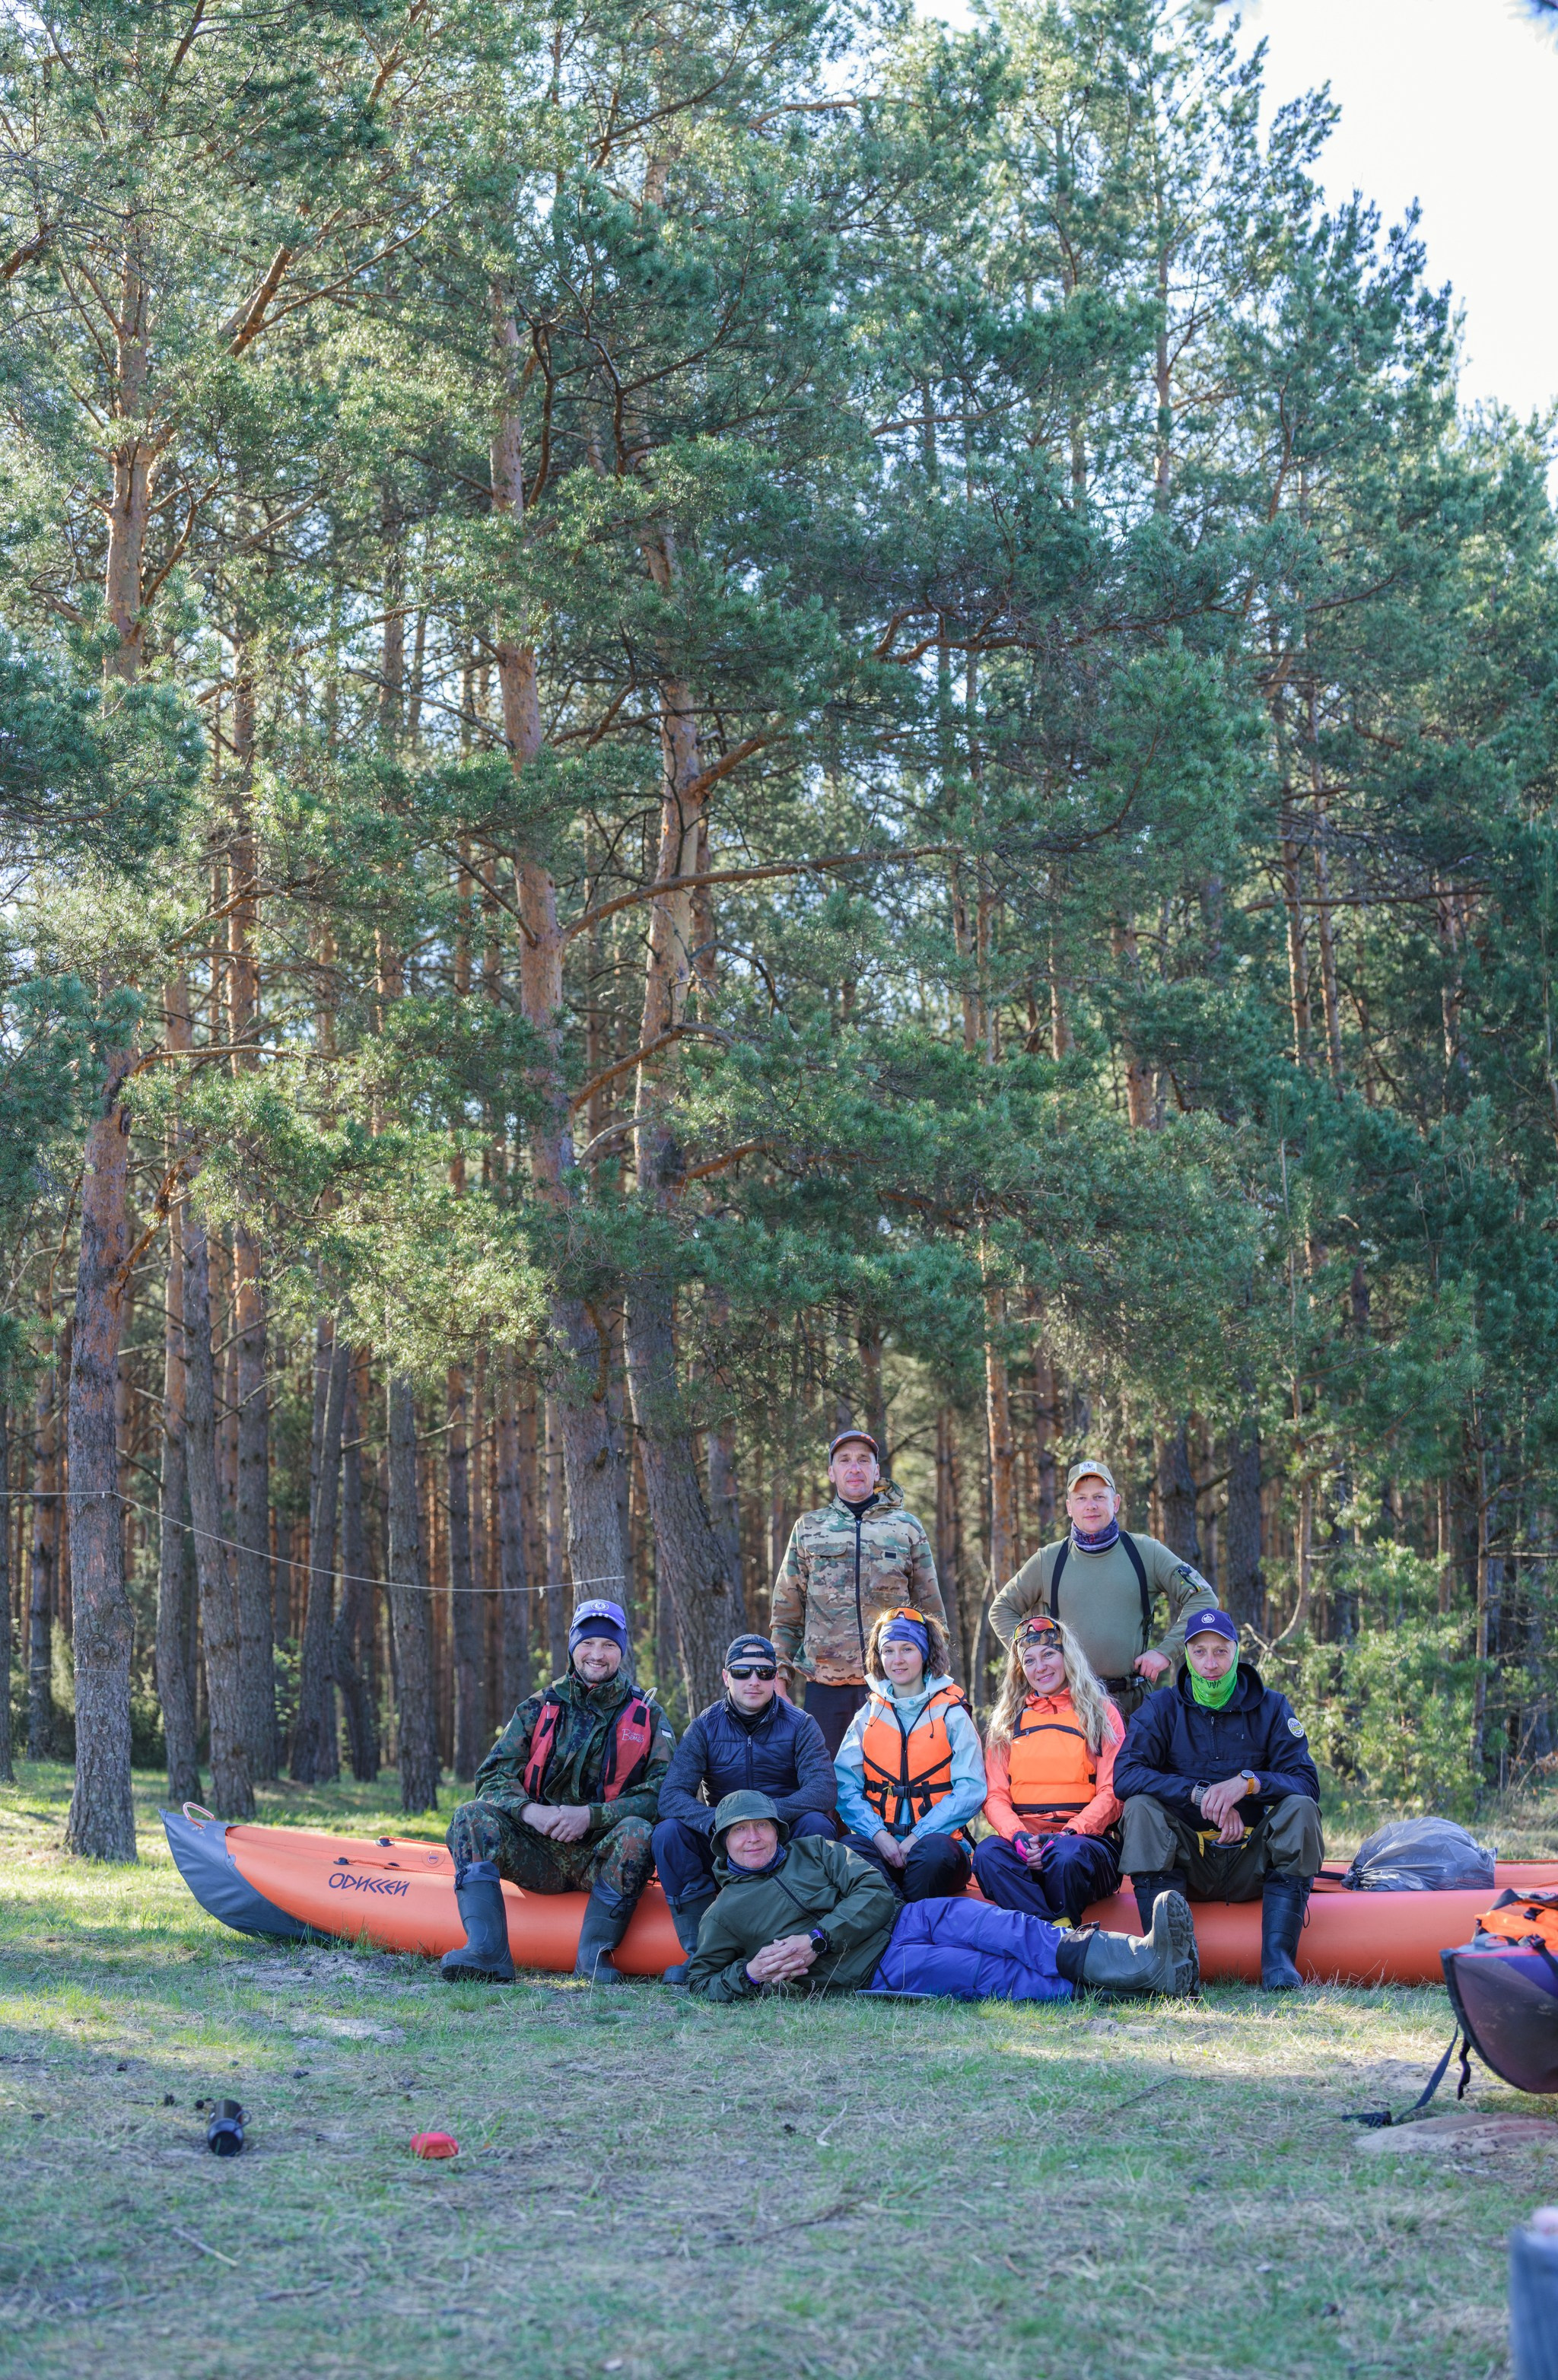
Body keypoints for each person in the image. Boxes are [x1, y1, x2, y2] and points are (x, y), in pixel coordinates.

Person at [682, 1791, 1199, 2005]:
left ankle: (1144, 1957)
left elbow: (874, 1892)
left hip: (907, 1918)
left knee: (1011, 1928)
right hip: (875, 1967)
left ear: (776, 1829)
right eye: (739, 1832)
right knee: (983, 1971)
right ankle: (1129, 1988)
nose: (753, 1838)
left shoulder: (814, 1849)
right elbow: (703, 1979)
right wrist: (749, 1974)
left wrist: (818, 1937)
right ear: (723, 1841)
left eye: (761, 1827)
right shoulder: (725, 1913)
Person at [441, 1598, 674, 1988]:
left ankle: (594, 1960)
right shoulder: (538, 1707)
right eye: (588, 1643)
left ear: (622, 1651)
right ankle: (487, 1952)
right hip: (537, 1851)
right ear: (572, 1647)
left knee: (640, 1831)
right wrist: (532, 1813)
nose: (597, 1655)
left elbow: (663, 1793)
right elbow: (492, 1776)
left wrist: (592, 1816)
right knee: (470, 1815)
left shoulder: (648, 1716)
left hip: (601, 1859)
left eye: (609, 1646)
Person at [1111, 1605, 1323, 1990]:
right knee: (1140, 1806)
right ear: (1187, 1656)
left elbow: (1307, 1783)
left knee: (1300, 1808)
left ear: (1237, 1652)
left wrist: (1249, 1783)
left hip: (1252, 1861)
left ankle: (1277, 1962)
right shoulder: (1161, 1708)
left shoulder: (1273, 1706)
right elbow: (1125, 1776)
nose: (1211, 1663)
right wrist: (1198, 1794)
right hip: (1186, 1862)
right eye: (1200, 1651)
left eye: (1221, 1651)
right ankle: (1170, 1962)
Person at [651, 1631, 837, 1980]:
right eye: (742, 1672)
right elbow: (671, 1796)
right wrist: (723, 1822)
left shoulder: (801, 1724)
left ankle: (801, 1946)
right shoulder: (704, 1727)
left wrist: (764, 1818)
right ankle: (702, 1954)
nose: (754, 1681)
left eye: (765, 1673)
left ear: (775, 1678)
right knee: (668, 1833)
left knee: (817, 1824)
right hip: (723, 1845)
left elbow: (824, 1790)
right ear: (726, 1676)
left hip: (781, 1841)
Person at [987, 1457, 1216, 1722]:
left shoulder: (1145, 1552)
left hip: (1134, 1707)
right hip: (1070, 1706)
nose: (1091, 1506)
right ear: (1069, 1507)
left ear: (1115, 1503)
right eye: (1081, 1498)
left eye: (1099, 1496)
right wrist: (1038, 1658)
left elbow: (1204, 1597)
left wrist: (1165, 1652)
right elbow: (1001, 1610)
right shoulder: (1048, 1560)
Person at [771, 1429, 950, 1757]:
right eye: (845, 1461)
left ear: (876, 1471)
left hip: (892, 1683)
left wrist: (935, 1677)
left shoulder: (905, 1527)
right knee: (827, 1786)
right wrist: (780, 1678)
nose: (855, 1468)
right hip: (826, 1686)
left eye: (863, 1461)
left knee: (890, 1783)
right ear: (831, 1472)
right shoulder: (809, 1528)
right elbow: (786, 1611)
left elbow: (930, 1611)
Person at [973, 1613, 1124, 1926]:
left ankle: (1045, 1933)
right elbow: (995, 1797)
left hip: (1083, 1844)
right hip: (1026, 1843)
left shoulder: (1101, 1713)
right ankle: (1055, 1932)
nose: (1040, 1667)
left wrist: (1069, 1833)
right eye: (1029, 1661)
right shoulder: (1006, 1723)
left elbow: (1113, 1792)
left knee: (1066, 1857)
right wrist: (1017, 1837)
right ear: (1020, 1669)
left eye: (1048, 1655)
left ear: (1066, 1656)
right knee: (988, 1854)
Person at [834, 1607, 983, 1901]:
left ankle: (895, 1914)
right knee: (849, 1849)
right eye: (888, 1650)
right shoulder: (868, 1715)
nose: (897, 1659)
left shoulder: (951, 1713)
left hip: (935, 1849)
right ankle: (903, 1913)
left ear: (925, 1653)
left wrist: (917, 1837)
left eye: (907, 1649)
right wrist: (880, 1837)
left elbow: (972, 1789)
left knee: (935, 1854)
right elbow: (845, 1786)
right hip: (882, 1845)